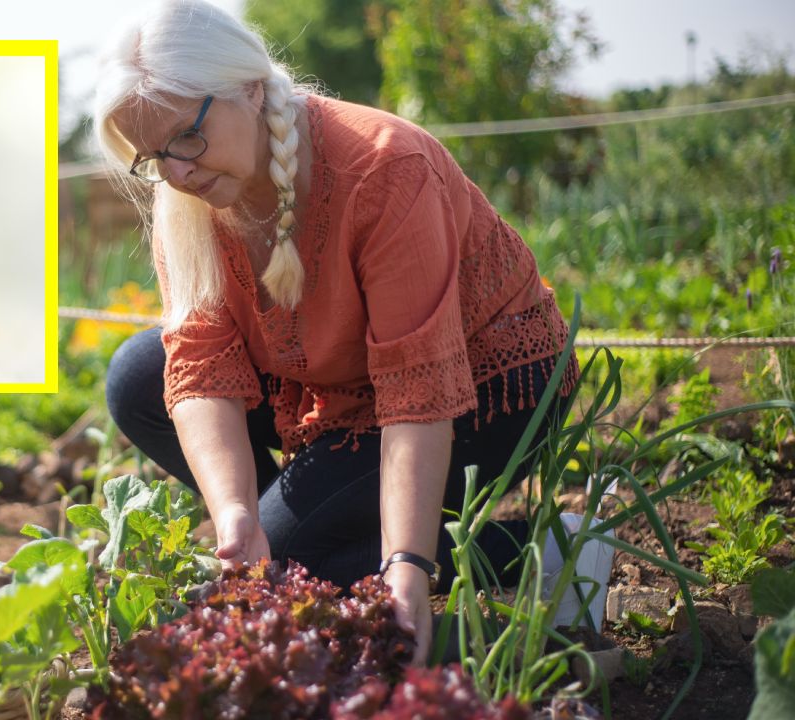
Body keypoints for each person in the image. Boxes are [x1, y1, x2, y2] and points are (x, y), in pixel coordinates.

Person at [94, 0, 585, 663]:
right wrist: (236, 513)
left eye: (185, 138)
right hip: (338, 386)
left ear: (245, 86)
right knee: (137, 377)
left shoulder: (385, 169)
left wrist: (406, 564)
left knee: (295, 561)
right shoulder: (188, 196)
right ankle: (301, 531)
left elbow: (417, 393)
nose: (176, 172)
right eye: (152, 157)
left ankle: (553, 549)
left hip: (487, 389)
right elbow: (202, 362)